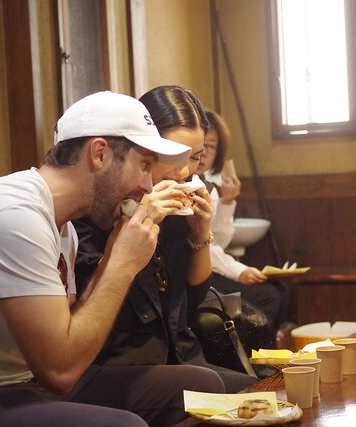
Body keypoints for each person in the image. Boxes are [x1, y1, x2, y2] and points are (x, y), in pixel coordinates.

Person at [0, 91, 226, 427]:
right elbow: (60, 371)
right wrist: (123, 264)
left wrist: (110, 257)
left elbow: (69, 335)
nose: (148, 185)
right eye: (143, 165)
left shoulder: (62, 228)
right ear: (100, 154)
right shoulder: (14, 216)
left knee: (199, 389)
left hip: (19, 389)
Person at [74, 86, 257, 393]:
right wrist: (136, 226)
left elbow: (194, 301)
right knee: (218, 390)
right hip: (122, 367)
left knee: (263, 394)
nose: (184, 171)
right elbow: (90, 314)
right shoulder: (96, 215)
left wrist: (200, 234)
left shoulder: (177, 209)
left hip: (182, 357)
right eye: (173, 155)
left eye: (196, 158)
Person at [197, 109, 291, 336]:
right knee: (268, 295)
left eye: (211, 146)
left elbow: (216, 239)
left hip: (209, 265)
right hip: (196, 274)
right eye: (199, 144)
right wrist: (238, 271)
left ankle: (264, 352)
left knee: (280, 289)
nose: (203, 153)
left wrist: (228, 201)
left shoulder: (209, 187)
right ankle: (253, 356)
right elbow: (202, 245)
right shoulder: (185, 185)